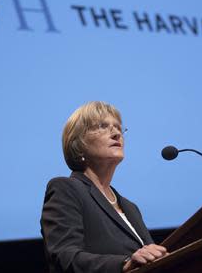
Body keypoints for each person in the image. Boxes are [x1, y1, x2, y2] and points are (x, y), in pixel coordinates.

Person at [41, 101, 168, 273]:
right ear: (78, 144)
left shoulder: (130, 208)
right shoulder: (66, 189)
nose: (116, 133)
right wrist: (124, 263)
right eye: (102, 126)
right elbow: (65, 256)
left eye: (118, 127)